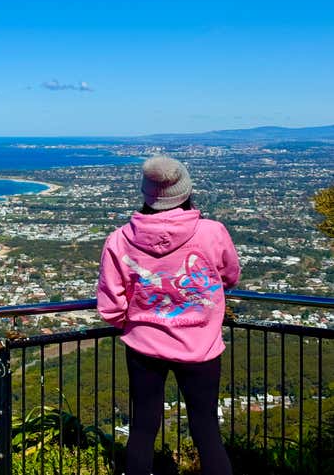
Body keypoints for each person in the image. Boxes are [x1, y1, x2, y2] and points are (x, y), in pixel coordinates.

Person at [97, 155, 240, 475]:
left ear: (146, 192)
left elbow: (110, 304)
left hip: (144, 346)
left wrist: (132, 322)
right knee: (206, 430)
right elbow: (230, 276)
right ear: (186, 190)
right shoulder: (212, 232)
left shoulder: (120, 239)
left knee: (143, 428)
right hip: (201, 345)